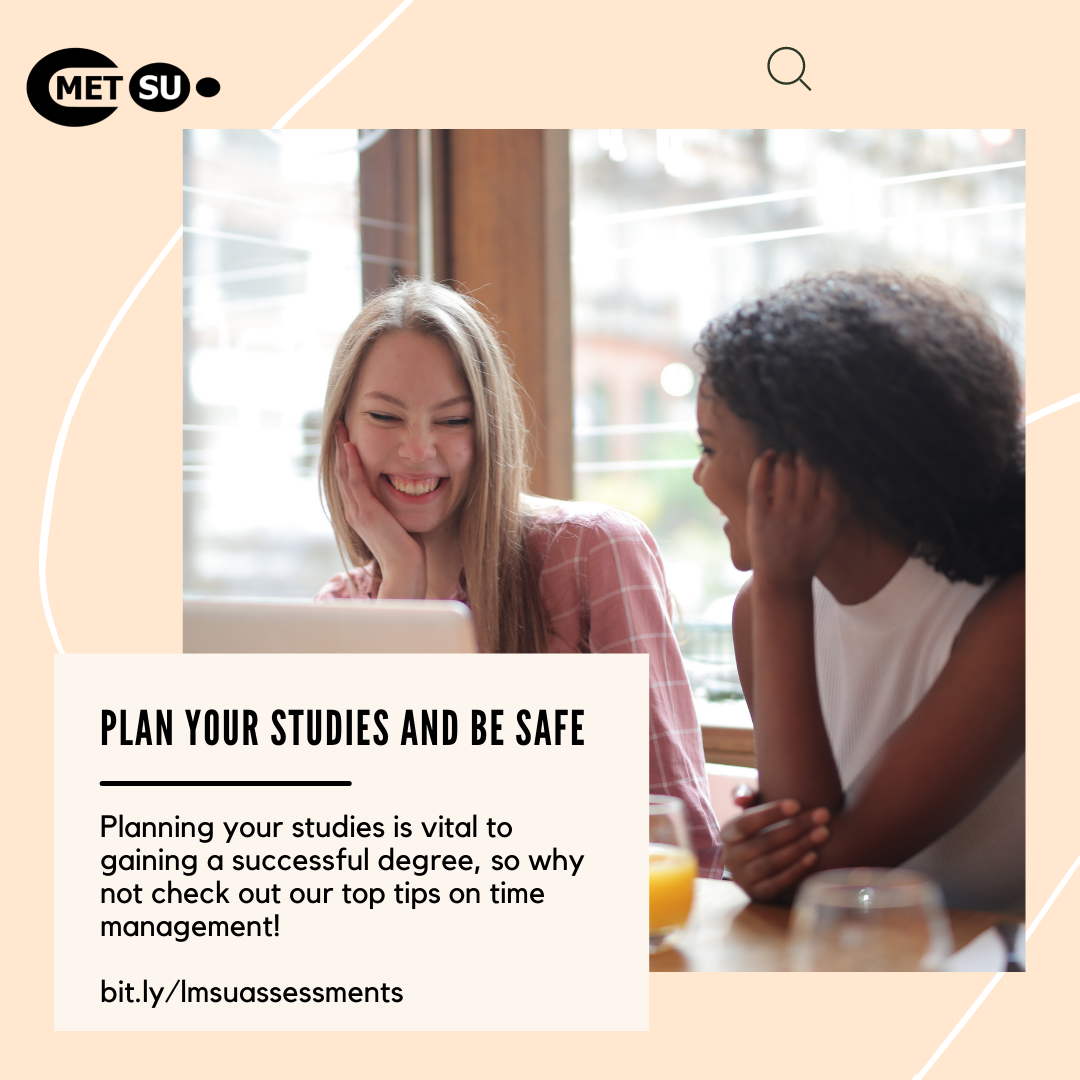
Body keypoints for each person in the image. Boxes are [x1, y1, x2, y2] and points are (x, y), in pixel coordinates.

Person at [315, 280, 723, 875]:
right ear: (341, 432)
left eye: (452, 420)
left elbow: (676, 831)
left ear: (489, 430)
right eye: (384, 416)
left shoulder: (593, 551)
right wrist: (401, 582)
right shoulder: (344, 607)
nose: (418, 449)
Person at [693, 270, 1024, 914]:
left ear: (809, 468)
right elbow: (801, 847)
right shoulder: (759, 611)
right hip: (869, 961)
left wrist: (783, 585)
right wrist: (763, 854)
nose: (699, 474)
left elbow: (827, 875)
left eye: (710, 446)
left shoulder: (1018, 615)